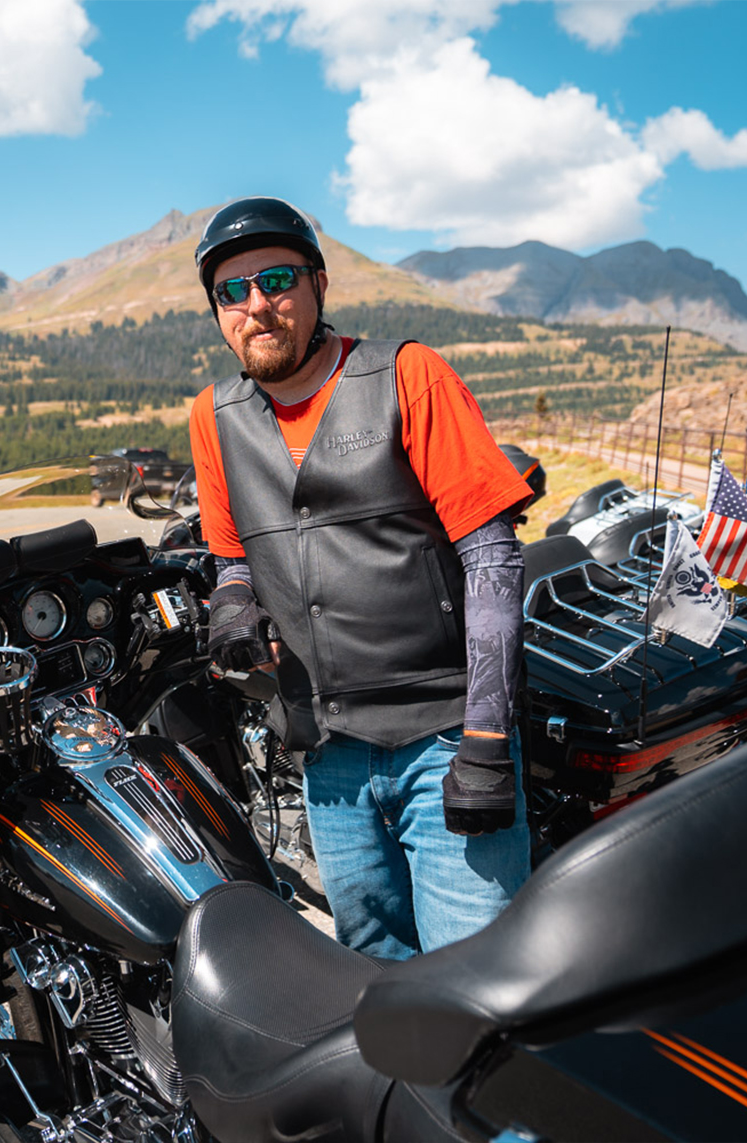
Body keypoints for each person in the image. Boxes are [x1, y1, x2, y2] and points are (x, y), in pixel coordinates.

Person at [188, 196, 533, 961]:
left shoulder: (409, 375)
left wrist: (483, 738)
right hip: (329, 756)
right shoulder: (214, 418)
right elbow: (233, 562)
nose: (257, 306)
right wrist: (234, 613)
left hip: (442, 740)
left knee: (477, 986)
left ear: (318, 285)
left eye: (276, 280)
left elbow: (492, 561)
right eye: (231, 292)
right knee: (375, 979)